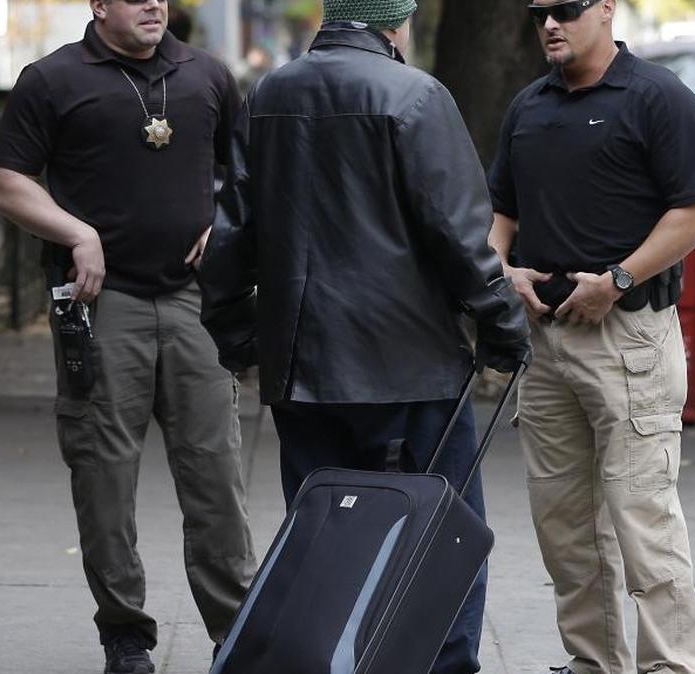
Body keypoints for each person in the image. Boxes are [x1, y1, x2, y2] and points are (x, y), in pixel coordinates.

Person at [197, 1, 531, 672]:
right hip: (410, 370)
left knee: (324, 544)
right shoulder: (415, 95)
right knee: (437, 544)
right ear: (396, 22)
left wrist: (237, 335)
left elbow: (232, 233)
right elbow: (460, 236)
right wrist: (503, 327)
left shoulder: (272, 94)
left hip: (303, 367)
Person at [0, 1, 256, 673]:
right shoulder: (52, 80)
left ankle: (240, 636)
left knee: (216, 477)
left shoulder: (208, 77)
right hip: (101, 307)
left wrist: (226, 221)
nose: (153, 4)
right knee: (104, 477)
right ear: (99, 4)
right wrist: (77, 233)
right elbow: (6, 184)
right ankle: (126, 636)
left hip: (196, 304)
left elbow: (252, 174)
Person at [486, 1, 695, 673]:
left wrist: (616, 280)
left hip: (629, 343)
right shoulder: (528, 106)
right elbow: (501, 210)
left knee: (644, 524)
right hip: (548, 342)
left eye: (565, 10)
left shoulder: (659, 98)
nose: (550, 25)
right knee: (564, 531)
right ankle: (594, 663)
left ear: (607, 11)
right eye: (538, 14)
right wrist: (502, 270)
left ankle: (669, 666)